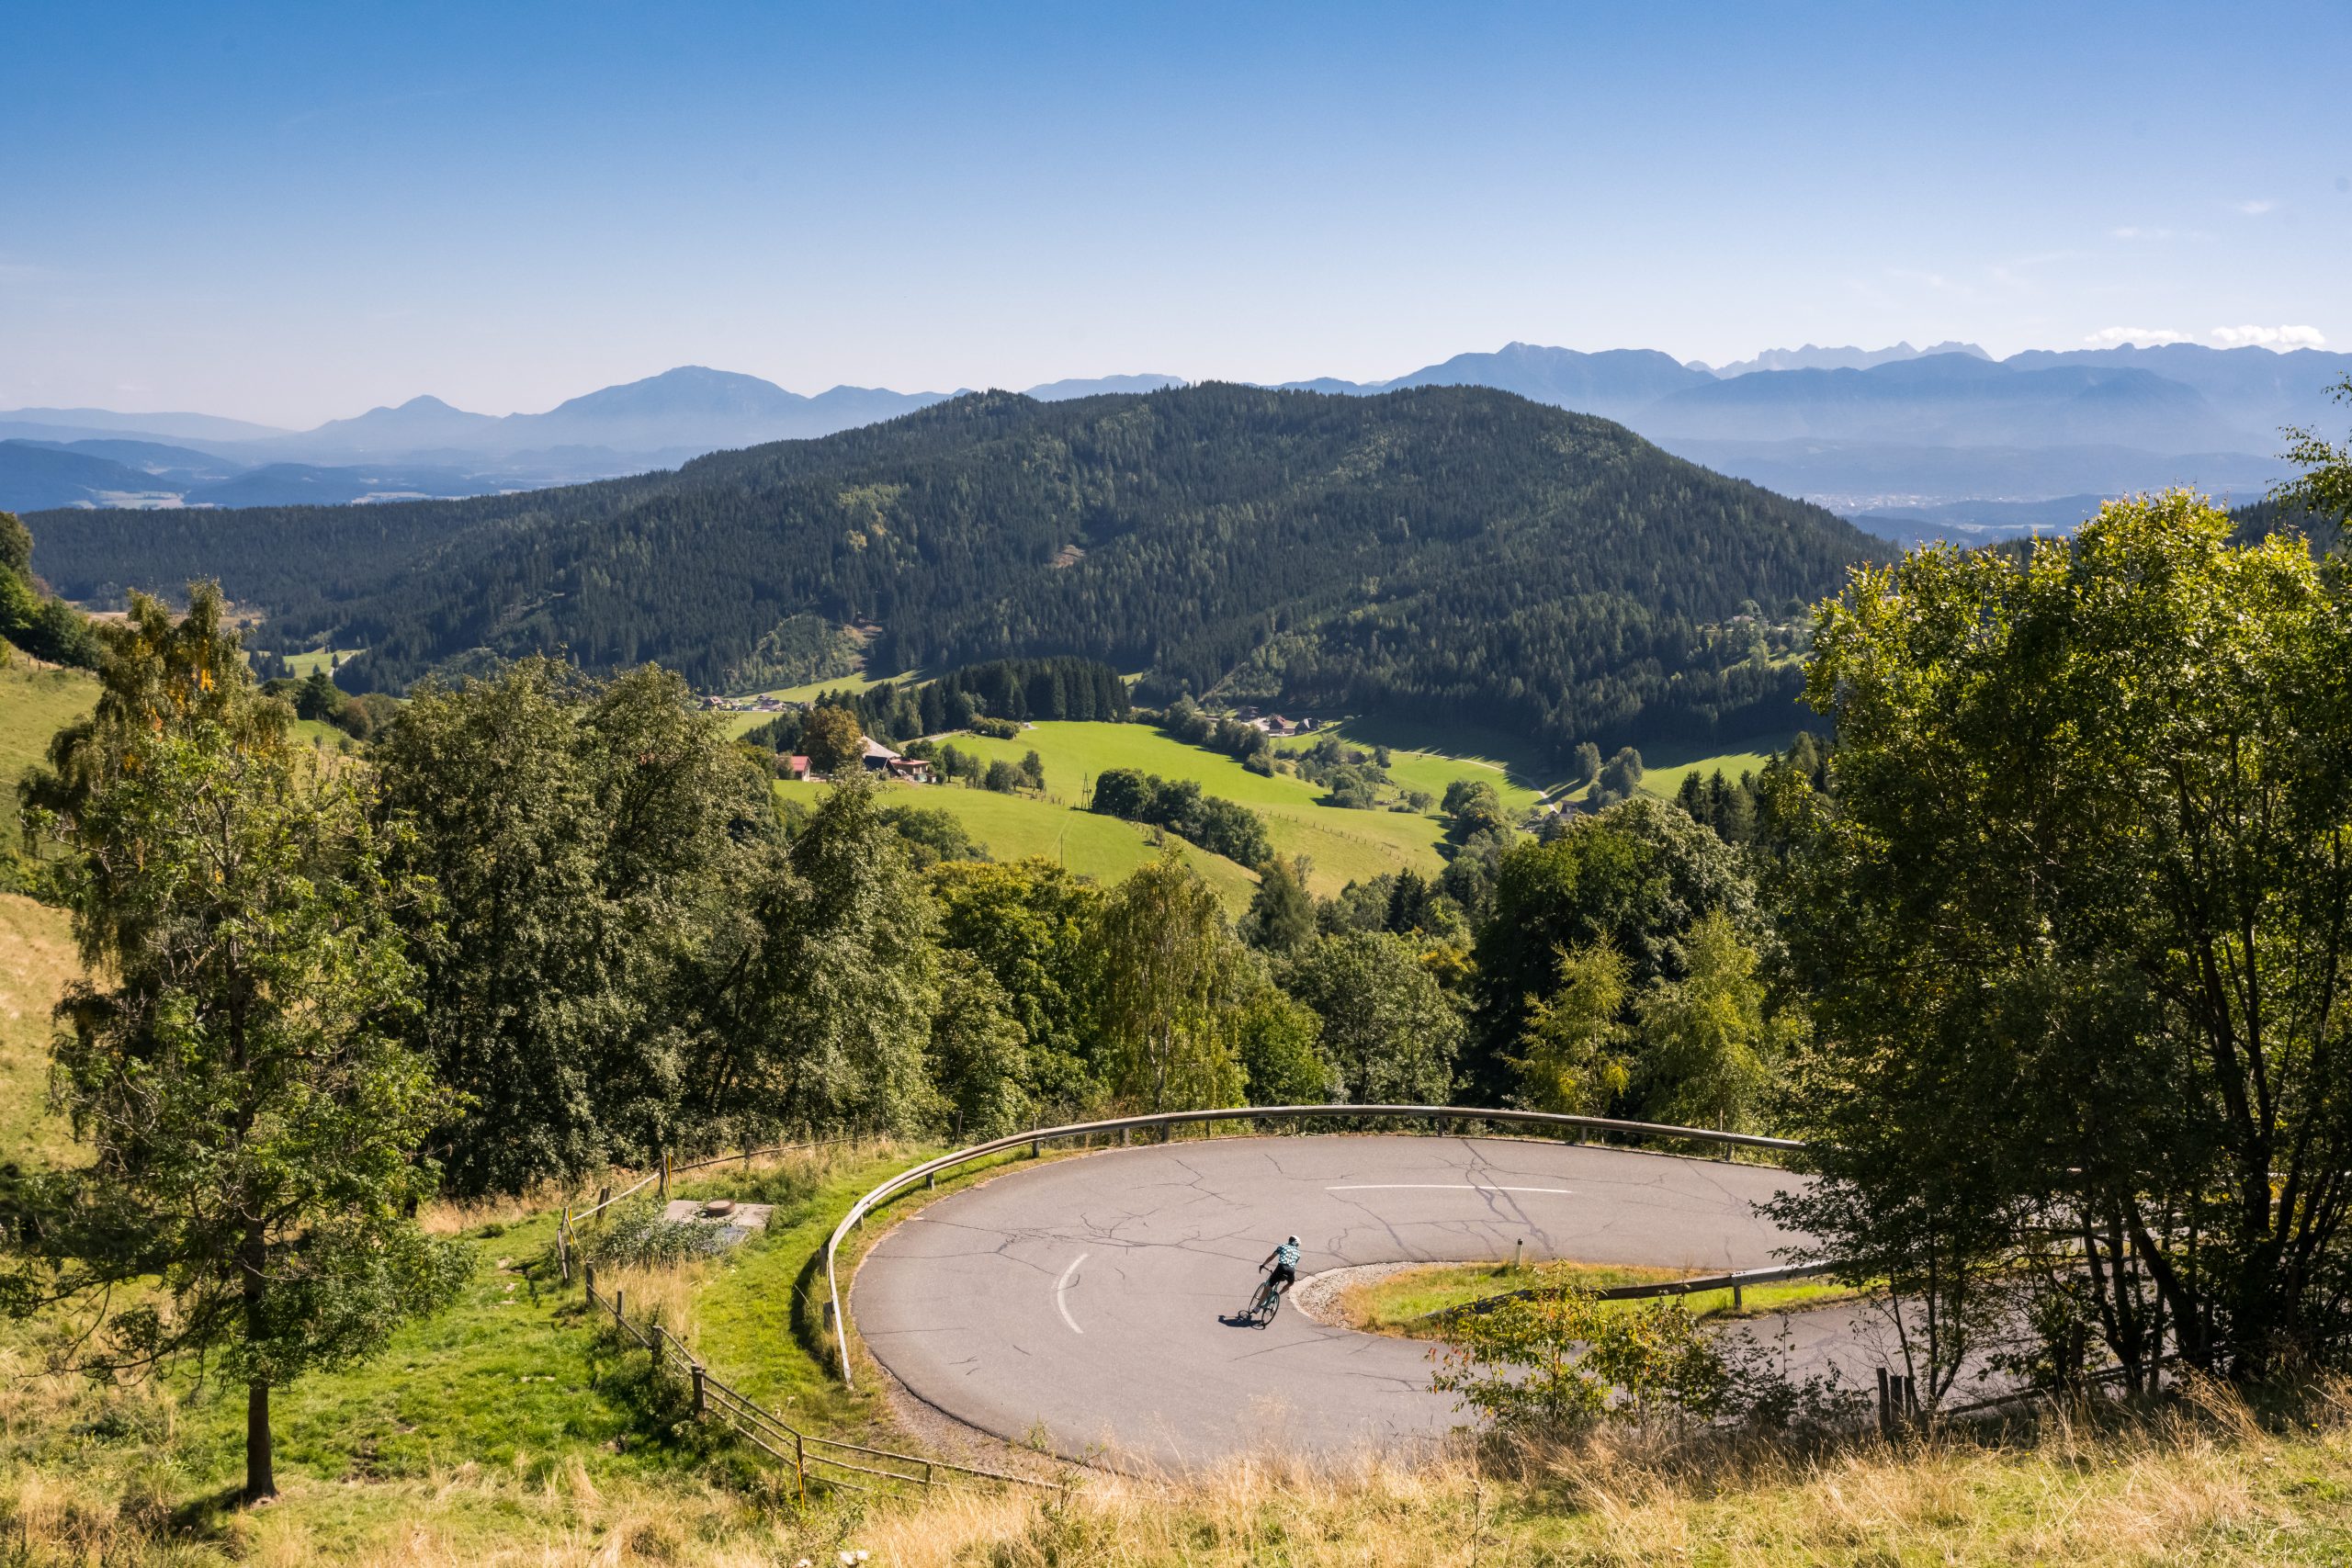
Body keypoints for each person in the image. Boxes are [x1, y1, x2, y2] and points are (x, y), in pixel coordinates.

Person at [1258, 1235, 1302, 1304]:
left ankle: (1257, 1307)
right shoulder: (1298, 1253)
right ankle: (1277, 1295)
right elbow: (1293, 1264)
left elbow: (1271, 1258)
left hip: (1281, 1268)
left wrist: (1263, 1265)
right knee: (1290, 1283)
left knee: (1268, 1286)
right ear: (1296, 1244)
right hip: (1291, 1271)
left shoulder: (1282, 1246)